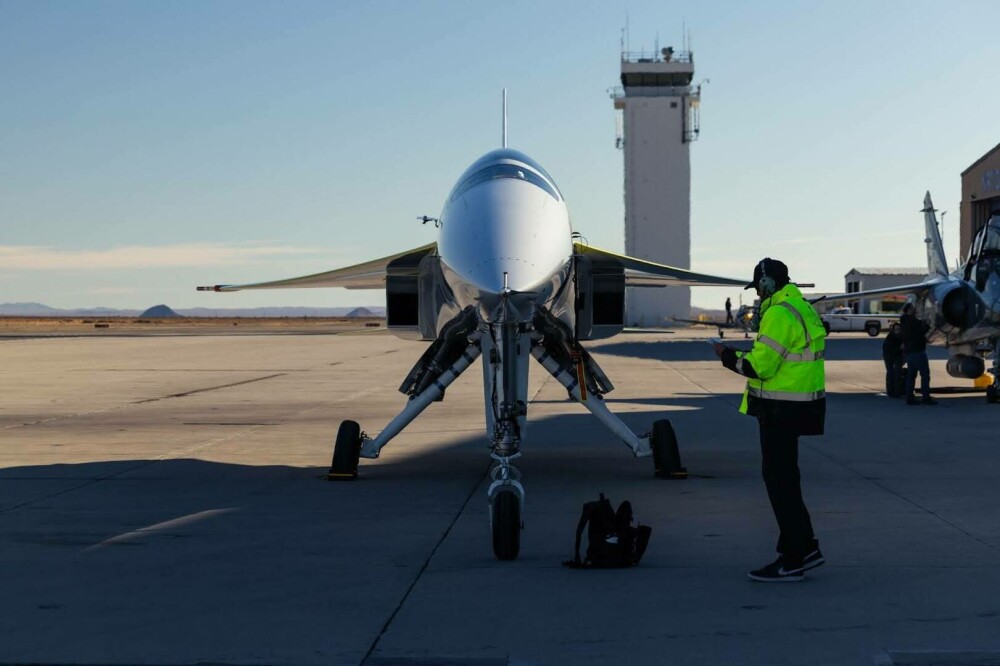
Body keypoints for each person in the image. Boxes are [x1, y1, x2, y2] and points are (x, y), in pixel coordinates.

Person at [713, 258, 826, 582]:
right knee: (787, 481)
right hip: (798, 406)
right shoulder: (799, 306)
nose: (758, 295)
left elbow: (759, 368)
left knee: (780, 484)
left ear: (766, 283)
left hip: (780, 409)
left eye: (758, 288)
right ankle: (804, 548)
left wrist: (726, 357)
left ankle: (793, 559)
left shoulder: (777, 313)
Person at [899, 303, 936, 405]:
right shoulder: (913, 322)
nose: (914, 310)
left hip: (909, 352)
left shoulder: (903, 322)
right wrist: (927, 322)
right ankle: (925, 397)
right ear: (909, 310)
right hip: (918, 352)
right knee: (925, 375)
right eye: (912, 309)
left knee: (911, 376)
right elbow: (923, 329)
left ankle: (909, 398)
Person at [882, 323, 905, 398]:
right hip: (889, 355)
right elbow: (889, 350)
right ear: (893, 330)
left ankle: (897, 391)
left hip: (897, 354)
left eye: (899, 329)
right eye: (896, 329)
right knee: (890, 372)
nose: (898, 331)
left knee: (897, 372)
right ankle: (891, 391)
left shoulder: (901, 336)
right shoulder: (890, 338)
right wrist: (900, 348)